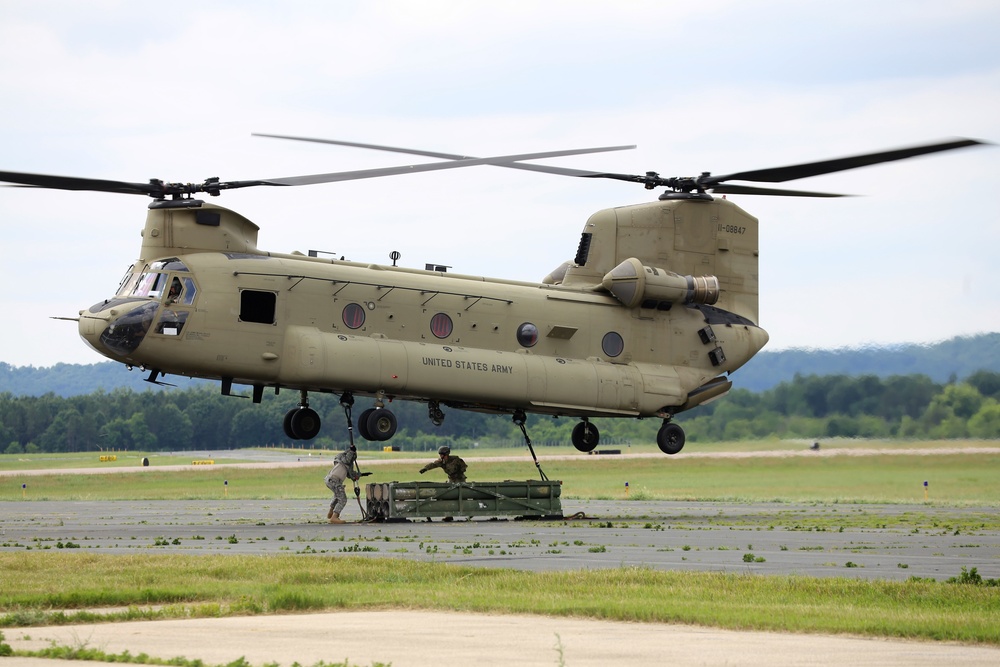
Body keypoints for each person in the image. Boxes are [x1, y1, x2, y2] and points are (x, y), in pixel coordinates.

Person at [324, 444, 358, 524]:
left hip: (330, 480)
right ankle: (334, 517)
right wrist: (352, 451)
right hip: (334, 480)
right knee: (343, 499)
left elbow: (351, 475)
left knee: (337, 495)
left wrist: (358, 475)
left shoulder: (343, 463)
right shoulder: (344, 460)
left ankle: (331, 512)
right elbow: (347, 459)